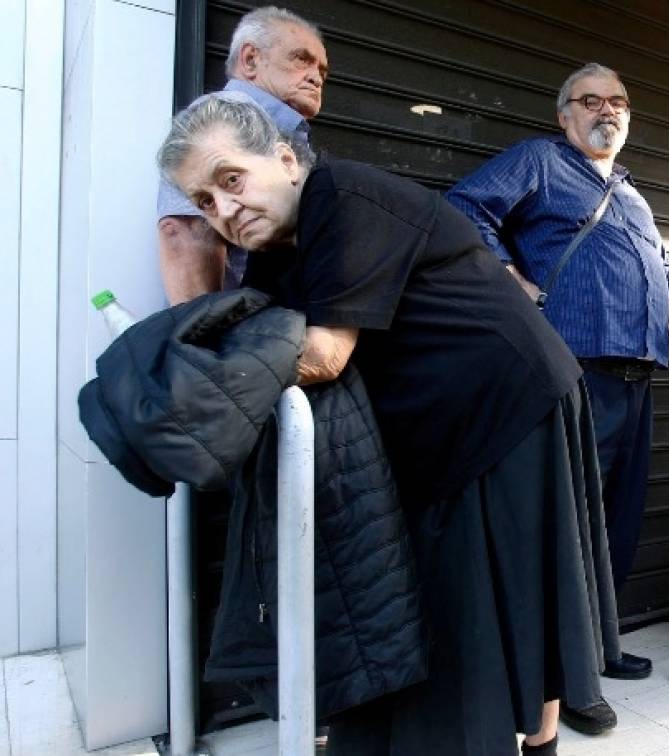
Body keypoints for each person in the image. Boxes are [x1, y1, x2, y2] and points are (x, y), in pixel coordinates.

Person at [159, 95, 622, 756]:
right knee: (469, 605)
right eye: (204, 201)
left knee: (519, 592)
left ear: (285, 159)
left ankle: (540, 741)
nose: (225, 209)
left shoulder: (340, 195)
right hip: (434, 421)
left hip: (510, 401)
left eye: (231, 179)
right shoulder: (274, 254)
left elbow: (322, 355)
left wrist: (188, 370)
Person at [446, 63, 669, 733]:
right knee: (570, 525)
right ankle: (568, 681)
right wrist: (510, 281)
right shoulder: (540, 159)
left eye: (618, 100)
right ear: (564, 115)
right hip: (573, 367)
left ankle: (599, 649)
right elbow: (463, 209)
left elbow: (664, 262)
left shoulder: (630, 191)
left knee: (613, 522)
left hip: (639, 372)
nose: (607, 110)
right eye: (590, 101)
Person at [157, 5, 328, 304]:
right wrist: (206, 340)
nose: (316, 77)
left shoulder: (284, 127)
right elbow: (184, 232)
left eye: (322, 71)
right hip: (248, 331)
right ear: (250, 60)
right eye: (302, 59)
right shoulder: (214, 123)